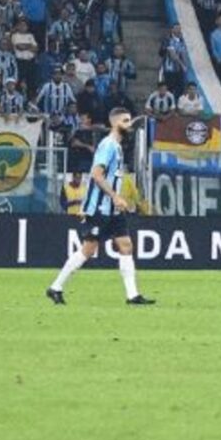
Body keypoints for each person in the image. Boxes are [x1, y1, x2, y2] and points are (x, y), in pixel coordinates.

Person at [46, 107, 155, 306]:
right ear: (114, 123)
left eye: (130, 120)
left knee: (126, 245)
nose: (129, 124)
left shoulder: (118, 147)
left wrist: (117, 200)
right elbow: (96, 175)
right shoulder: (108, 145)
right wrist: (114, 196)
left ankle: (133, 296)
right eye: (125, 121)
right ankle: (55, 287)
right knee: (87, 250)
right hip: (99, 208)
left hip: (113, 209)